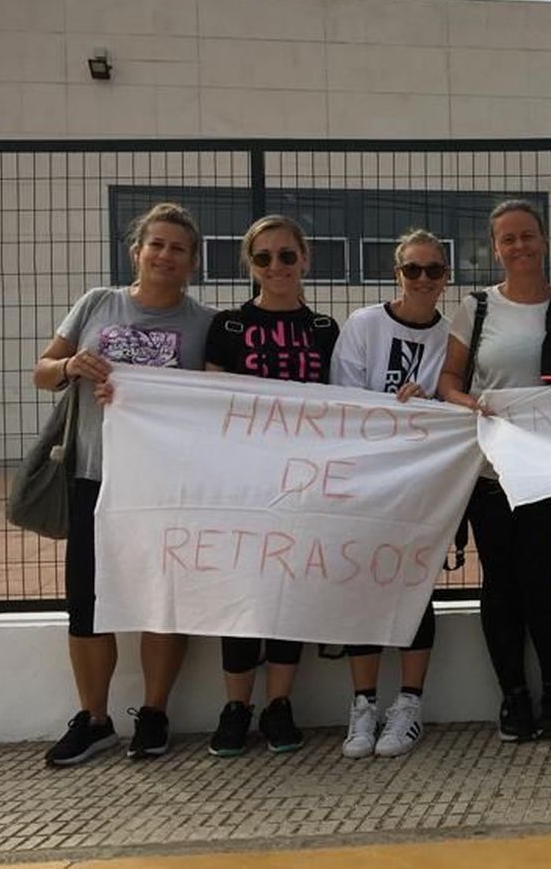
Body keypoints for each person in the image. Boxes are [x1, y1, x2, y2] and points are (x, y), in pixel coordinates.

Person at [35, 203, 218, 766]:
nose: (165, 255)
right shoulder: (97, 303)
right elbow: (42, 371)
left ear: (192, 263)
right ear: (136, 250)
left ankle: (155, 713)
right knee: (86, 603)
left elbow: (214, 402)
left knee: (162, 602)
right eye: (156, 244)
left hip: (165, 486)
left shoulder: (204, 324)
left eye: (178, 249)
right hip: (93, 476)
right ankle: (94, 719)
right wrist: (71, 368)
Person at [437, 200, 551, 743]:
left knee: (540, 574)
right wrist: (473, 404)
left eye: (527, 236)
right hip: (490, 468)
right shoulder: (476, 306)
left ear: (544, 239)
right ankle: (513, 697)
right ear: (495, 246)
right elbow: (449, 382)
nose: (520, 247)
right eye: (508, 239)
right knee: (500, 579)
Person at [201, 215, 338, 758]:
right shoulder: (227, 328)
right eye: (263, 257)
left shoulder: (326, 329)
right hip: (244, 486)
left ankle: (280, 705)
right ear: (249, 264)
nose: (276, 266)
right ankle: (237, 707)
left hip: (304, 484)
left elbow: (346, 405)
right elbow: (210, 407)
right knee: (242, 596)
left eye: (286, 255)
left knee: (287, 592)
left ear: (305, 259)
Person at [329, 228, 453, 757]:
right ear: (396, 274)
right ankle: (362, 707)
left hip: (424, 487)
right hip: (365, 480)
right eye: (412, 270)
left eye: (434, 270)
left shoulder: (454, 334)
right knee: (362, 589)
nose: (422, 280)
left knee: (414, 591)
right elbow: (345, 401)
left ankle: (408, 705)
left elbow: (455, 398)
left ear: (446, 278)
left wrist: (428, 405)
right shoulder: (363, 325)